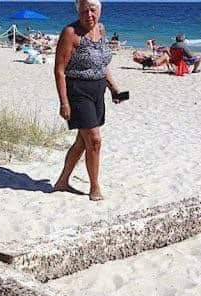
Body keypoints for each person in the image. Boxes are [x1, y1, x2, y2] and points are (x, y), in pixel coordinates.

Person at [53, 0, 122, 201]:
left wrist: (114, 88)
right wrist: (64, 102)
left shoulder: (100, 29)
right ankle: (94, 187)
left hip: (98, 91)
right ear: (78, 11)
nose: (89, 15)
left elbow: (102, 64)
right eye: (84, 11)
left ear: (100, 10)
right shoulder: (70, 33)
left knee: (83, 142)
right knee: (95, 140)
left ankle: (62, 182)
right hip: (78, 92)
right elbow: (59, 70)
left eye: (93, 10)